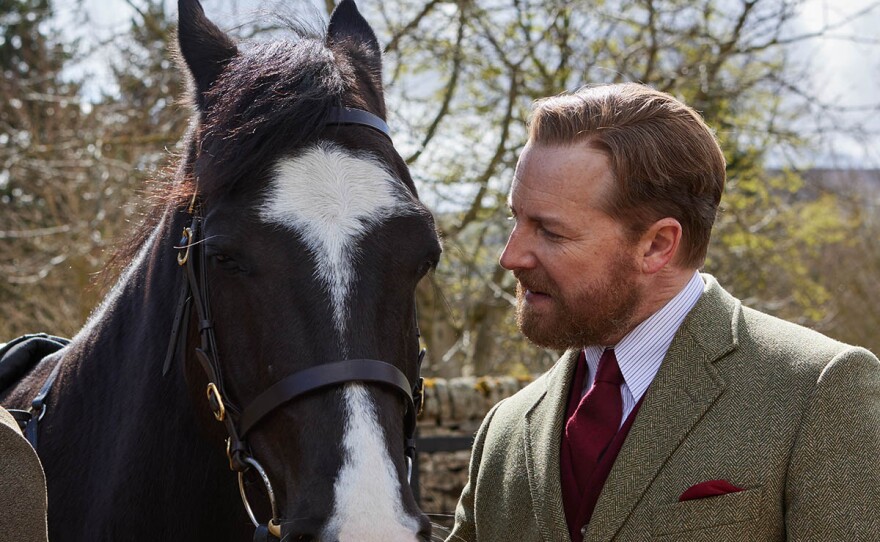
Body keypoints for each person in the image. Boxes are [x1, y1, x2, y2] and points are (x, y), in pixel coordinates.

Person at [447, 83, 880, 542]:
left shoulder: (820, 391)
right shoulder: (504, 429)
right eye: (515, 219)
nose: (511, 256)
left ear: (657, 245)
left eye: (550, 232)